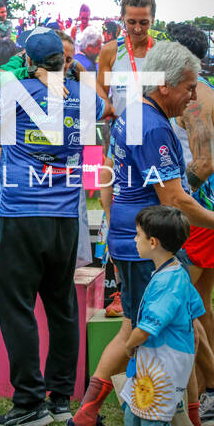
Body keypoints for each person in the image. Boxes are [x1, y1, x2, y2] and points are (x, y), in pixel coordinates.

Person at [0, 29, 112, 426]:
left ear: (28, 60)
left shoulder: (14, 91)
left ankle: (29, 403)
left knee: (17, 309)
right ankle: (60, 400)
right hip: (64, 220)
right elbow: (106, 108)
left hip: (20, 215)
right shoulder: (83, 96)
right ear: (65, 59)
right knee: (62, 308)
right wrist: (75, 76)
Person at [71, 41, 214, 426]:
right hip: (149, 246)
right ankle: (91, 412)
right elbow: (174, 199)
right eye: (189, 87)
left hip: (136, 239)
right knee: (140, 331)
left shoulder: (135, 113)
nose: (193, 96)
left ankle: (187, 413)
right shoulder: (153, 126)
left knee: (181, 326)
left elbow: (110, 177)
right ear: (165, 85)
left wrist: (115, 225)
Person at [167, 23, 214, 423]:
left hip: (198, 212)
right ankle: (206, 389)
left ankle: (206, 388)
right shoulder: (203, 90)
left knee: (184, 305)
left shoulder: (195, 100)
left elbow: (205, 161)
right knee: (200, 304)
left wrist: (177, 199)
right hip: (203, 211)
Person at [120, 206, 205, 426]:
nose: (135, 240)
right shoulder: (177, 271)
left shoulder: (167, 283)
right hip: (157, 362)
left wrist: (129, 346)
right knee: (133, 412)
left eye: (138, 235)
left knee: (151, 418)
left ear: (153, 242)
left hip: (162, 366)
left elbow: (145, 329)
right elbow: (195, 314)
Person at [97, 0, 156, 118]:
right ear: (123, 18)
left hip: (155, 129)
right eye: (131, 22)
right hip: (122, 127)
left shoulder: (163, 53)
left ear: (152, 19)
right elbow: (101, 99)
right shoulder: (110, 51)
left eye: (144, 22)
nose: (137, 28)